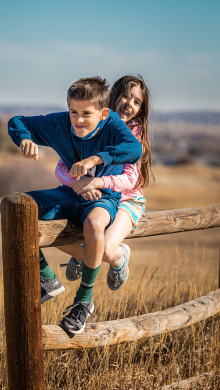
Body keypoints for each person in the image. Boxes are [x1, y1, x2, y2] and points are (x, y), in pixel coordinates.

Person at [8, 76, 142, 334]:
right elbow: (18, 121)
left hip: (104, 197)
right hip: (70, 193)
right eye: (74, 112)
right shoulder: (59, 123)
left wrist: (95, 159)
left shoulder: (112, 124)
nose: (78, 120)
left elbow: (133, 149)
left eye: (86, 114)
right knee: (19, 206)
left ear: (103, 113)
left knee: (94, 224)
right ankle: (47, 279)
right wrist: (24, 138)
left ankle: (83, 300)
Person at [55, 75, 153, 290]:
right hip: (94, 198)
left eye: (137, 102)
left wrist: (96, 182)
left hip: (126, 200)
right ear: (112, 97)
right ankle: (83, 254)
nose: (130, 104)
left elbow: (131, 179)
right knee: (55, 234)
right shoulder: (92, 124)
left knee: (107, 250)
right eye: (126, 97)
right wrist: (77, 184)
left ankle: (119, 260)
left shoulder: (134, 134)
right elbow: (61, 168)